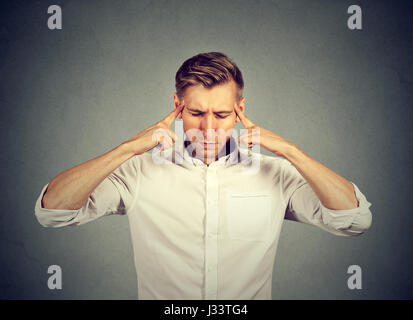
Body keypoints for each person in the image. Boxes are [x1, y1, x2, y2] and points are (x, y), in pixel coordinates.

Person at [34, 52, 373, 300]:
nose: (209, 128)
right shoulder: (138, 172)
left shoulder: (277, 174)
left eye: (222, 114)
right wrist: (126, 149)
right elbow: (53, 212)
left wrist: (292, 152)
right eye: (196, 113)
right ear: (177, 105)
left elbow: (353, 220)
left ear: (240, 110)